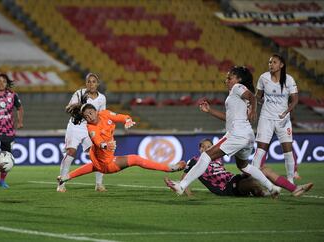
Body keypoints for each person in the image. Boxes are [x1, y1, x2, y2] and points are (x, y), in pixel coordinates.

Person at [165, 66, 282, 197]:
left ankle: (181, 186)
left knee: (206, 156)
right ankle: (272, 187)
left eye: (229, 78)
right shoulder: (237, 96)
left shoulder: (238, 87)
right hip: (248, 135)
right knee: (244, 166)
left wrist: (254, 110)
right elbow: (229, 117)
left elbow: (252, 97)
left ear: (239, 79)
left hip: (237, 133)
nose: (226, 81)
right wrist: (210, 111)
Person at [57, 104, 186, 186]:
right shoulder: (91, 127)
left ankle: (66, 177)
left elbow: (121, 116)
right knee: (135, 159)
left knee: (94, 167)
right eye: (86, 116)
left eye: (90, 113)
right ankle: (170, 168)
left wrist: (127, 120)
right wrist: (105, 146)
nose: (89, 117)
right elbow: (97, 141)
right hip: (106, 163)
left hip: (97, 159)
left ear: (96, 111)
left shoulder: (105, 114)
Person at [181, 139, 313, 197]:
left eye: (209, 146)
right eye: (203, 147)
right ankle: (265, 192)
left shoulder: (217, 158)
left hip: (234, 179)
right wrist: (189, 194)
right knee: (253, 183)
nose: (207, 148)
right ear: (199, 149)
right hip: (226, 188)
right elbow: (184, 178)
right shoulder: (195, 161)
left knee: (264, 170)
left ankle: (294, 189)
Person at [252, 54, 301, 183]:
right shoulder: (263, 78)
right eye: (269, 62)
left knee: (287, 150)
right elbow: (258, 96)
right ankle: (254, 179)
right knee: (261, 148)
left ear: (281, 65)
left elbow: (295, 100)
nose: (270, 65)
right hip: (266, 118)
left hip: (283, 120)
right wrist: (255, 104)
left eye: (274, 62)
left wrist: (286, 112)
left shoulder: (289, 80)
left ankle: (290, 180)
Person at [57, 73, 107, 192]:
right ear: (86, 83)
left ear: (97, 84)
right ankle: (61, 184)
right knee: (71, 152)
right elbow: (68, 108)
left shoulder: (102, 98)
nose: (91, 84)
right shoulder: (79, 94)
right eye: (89, 81)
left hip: (91, 128)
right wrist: (79, 105)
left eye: (94, 81)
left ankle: (99, 185)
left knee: (98, 154)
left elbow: (102, 115)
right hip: (76, 126)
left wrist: (102, 130)